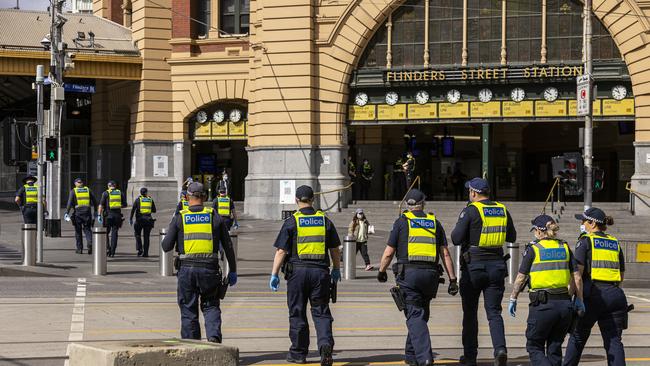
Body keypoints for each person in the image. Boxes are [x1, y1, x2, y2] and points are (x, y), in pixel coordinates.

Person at [377, 189, 457, 366]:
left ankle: (424, 358)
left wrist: (382, 271)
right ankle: (411, 355)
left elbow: (389, 252)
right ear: (423, 203)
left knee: (414, 316)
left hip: (409, 276)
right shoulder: (434, 223)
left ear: (407, 204)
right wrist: (452, 279)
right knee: (421, 314)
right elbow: (445, 254)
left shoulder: (401, 223)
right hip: (430, 277)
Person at [269, 185, 341, 366]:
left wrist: (274, 274)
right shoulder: (324, 221)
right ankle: (325, 346)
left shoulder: (292, 221)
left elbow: (281, 251)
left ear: (296, 200)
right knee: (321, 312)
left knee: (297, 312)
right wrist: (336, 269)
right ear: (313, 200)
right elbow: (334, 249)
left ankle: (298, 353)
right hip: (320, 273)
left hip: (297, 274)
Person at [451, 177, 516, 366]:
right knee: (494, 313)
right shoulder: (503, 210)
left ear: (473, 193)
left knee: (470, 313)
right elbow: (512, 236)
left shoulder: (471, 211)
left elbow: (455, 238)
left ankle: (470, 357)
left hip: (474, 268)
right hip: (496, 267)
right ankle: (500, 349)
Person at [161, 182, 237, 343]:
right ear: (204, 197)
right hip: (210, 269)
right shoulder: (214, 216)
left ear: (187, 197)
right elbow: (228, 246)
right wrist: (233, 270)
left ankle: (192, 346)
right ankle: (214, 339)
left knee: (188, 310)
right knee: (211, 306)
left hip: (186, 270)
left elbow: (166, 246)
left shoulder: (180, 217)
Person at [509, 215, 585, 366]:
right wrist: (580, 300)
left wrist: (513, 298)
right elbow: (577, 278)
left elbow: (520, 278)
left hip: (543, 306)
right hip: (564, 306)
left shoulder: (534, 249)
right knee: (555, 347)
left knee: (534, 346)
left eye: (535, 230)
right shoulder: (564, 247)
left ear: (539, 230)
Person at [563, 208, 628, 366]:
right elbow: (621, 273)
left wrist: (571, 297)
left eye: (583, 221)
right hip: (616, 294)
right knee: (614, 341)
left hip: (593, 294)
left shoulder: (585, 241)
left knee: (577, 337)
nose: (582, 224)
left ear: (592, 223)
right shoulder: (615, 242)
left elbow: (577, 275)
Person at [64, 178, 98, 254]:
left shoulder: (73, 191)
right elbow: (95, 201)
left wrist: (67, 213)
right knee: (87, 230)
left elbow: (69, 203)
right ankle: (90, 244)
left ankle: (79, 249)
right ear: (82, 183)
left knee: (78, 231)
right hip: (87, 213)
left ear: (75, 183)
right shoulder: (88, 190)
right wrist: (95, 211)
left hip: (78, 214)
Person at [98, 180, 127, 257]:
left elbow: (101, 205)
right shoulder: (120, 193)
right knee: (115, 233)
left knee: (106, 233)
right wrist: (118, 206)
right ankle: (113, 251)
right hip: (117, 216)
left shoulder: (105, 193)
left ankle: (108, 248)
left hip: (107, 216)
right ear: (115, 186)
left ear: (108, 186)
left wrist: (99, 215)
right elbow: (125, 205)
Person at [129, 187, 157, 257]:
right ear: (146, 192)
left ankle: (139, 249)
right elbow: (154, 210)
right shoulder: (150, 199)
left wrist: (130, 219)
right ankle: (146, 253)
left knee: (137, 234)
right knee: (146, 237)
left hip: (139, 220)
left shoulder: (138, 200)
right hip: (148, 220)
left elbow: (133, 210)